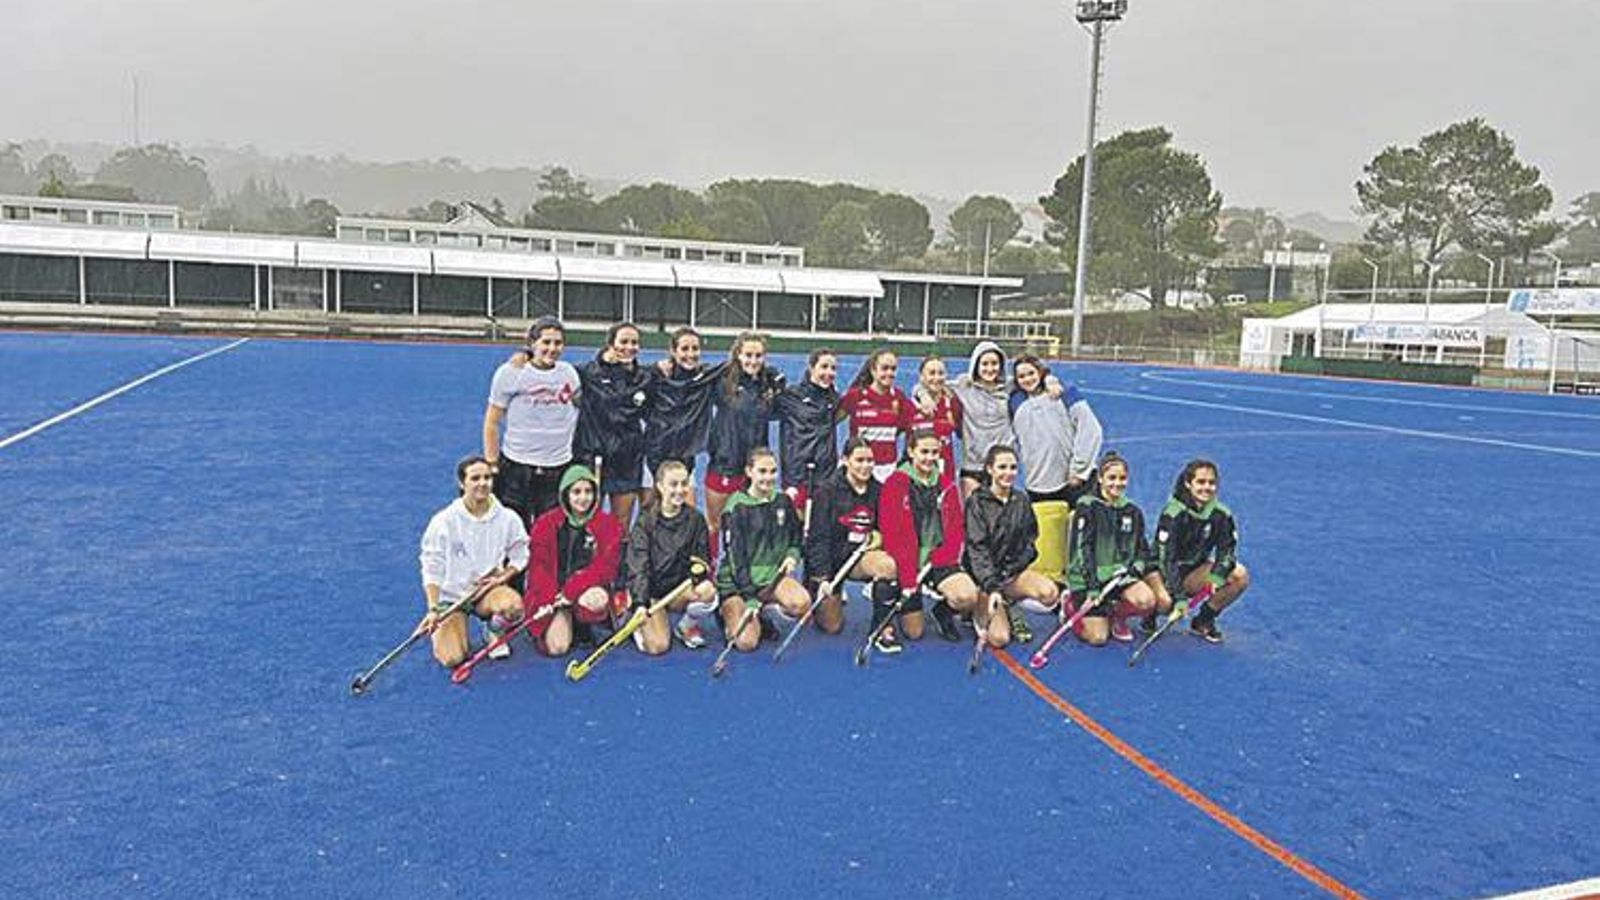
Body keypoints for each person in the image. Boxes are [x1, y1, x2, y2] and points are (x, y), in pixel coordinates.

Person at [878, 428, 984, 652]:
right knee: (914, 632)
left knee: (967, 596)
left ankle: (942, 610)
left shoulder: (946, 485)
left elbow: (955, 530)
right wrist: (908, 579)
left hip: (936, 560)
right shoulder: (895, 483)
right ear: (910, 451)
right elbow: (892, 535)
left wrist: (942, 557)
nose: (929, 458)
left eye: (935, 452)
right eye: (924, 452)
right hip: (907, 562)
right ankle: (896, 602)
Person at [417, 456, 529, 666]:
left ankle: (493, 631)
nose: (483, 483)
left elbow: (521, 553)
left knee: (513, 607)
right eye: (475, 478)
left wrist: (503, 576)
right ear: (462, 483)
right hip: (452, 600)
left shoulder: (508, 518)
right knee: (453, 658)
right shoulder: (443, 521)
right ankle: (449, 628)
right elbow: (432, 566)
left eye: (487, 478)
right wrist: (433, 608)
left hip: (485, 593)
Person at [482, 316, 581, 524]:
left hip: (558, 466)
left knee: (551, 533)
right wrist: (492, 464)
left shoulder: (569, 374)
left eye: (558, 343)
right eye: (546, 342)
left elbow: (578, 408)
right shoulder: (510, 373)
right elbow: (491, 422)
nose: (552, 348)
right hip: (517, 466)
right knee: (514, 530)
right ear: (532, 343)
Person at [1068, 451, 1171, 646]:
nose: (1117, 483)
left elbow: (1142, 549)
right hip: (1089, 578)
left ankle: (1116, 615)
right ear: (1099, 478)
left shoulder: (1132, 511)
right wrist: (1091, 586)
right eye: (1111, 478)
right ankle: (1071, 608)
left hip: (1119, 577)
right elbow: (1083, 549)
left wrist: (1136, 568)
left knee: (1147, 601)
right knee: (1097, 638)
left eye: (1122, 478)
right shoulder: (1087, 506)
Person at [962, 445, 1061, 645]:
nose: (1008, 473)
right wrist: (991, 584)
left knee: (1049, 593)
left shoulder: (1021, 500)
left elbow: (1030, 542)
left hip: (1009, 574)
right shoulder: (976, 503)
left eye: (1013, 468)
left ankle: (1009, 602)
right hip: (985, 579)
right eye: (1002, 467)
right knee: (999, 639)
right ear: (990, 469)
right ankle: (978, 608)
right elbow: (977, 549)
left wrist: (1011, 569)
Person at [713, 447, 809, 652]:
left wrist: (792, 555)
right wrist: (749, 597)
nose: (769, 477)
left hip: (771, 578)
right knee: (746, 643)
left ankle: (764, 609)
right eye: (762, 471)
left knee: (801, 603)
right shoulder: (735, 508)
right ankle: (726, 613)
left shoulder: (783, 501)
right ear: (749, 472)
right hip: (738, 584)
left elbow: (796, 538)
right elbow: (735, 560)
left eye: (773, 471)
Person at [523, 464, 624, 657]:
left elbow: (605, 568)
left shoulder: (607, 524)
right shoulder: (545, 523)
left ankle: (584, 622)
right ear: (565, 494)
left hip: (582, 591)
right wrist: (548, 598)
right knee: (557, 648)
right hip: (554, 595)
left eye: (588, 491)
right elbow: (538, 568)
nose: (583, 498)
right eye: (576, 492)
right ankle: (567, 621)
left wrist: (571, 590)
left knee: (598, 600)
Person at [801, 437, 896, 636]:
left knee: (888, 566)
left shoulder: (880, 491)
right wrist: (822, 576)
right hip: (832, 562)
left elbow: (889, 529)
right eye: (859, 460)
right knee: (832, 627)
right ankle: (814, 590)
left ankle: (880, 627)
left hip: (860, 558)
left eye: (870, 461)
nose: (866, 466)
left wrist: (881, 538)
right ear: (845, 460)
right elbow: (817, 540)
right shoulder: (826, 492)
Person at [1154, 459, 1250, 644]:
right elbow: (1166, 560)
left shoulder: (1221, 514)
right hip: (1162, 573)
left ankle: (1204, 620)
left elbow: (1227, 550)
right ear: (1188, 484)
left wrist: (1218, 575)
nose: (1207, 487)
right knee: (1164, 603)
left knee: (1239, 576)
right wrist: (1180, 598)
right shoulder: (1173, 514)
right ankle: (1149, 615)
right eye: (1201, 482)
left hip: (1193, 572)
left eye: (1211, 483)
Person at [626, 460, 717, 654]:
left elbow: (701, 560)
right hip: (651, 594)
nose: (680, 490)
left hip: (677, 592)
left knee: (707, 591)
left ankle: (685, 627)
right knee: (658, 647)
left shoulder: (696, 519)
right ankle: (637, 620)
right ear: (659, 486)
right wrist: (641, 603)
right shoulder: (645, 522)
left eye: (684, 484)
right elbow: (638, 567)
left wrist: (696, 576)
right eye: (673, 484)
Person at [704, 333, 786, 540]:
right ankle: (708, 571)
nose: (753, 360)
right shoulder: (721, 380)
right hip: (724, 465)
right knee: (715, 525)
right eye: (748, 354)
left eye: (758, 355)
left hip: (755, 469)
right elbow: (688, 380)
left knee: (752, 529)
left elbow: (782, 411)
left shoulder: (768, 385)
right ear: (738, 355)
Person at [573, 321, 654, 528]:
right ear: (610, 344)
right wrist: (524, 356)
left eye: (634, 342)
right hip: (593, 458)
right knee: (588, 519)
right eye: (624, 341)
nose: (629, 347)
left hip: (627, 460)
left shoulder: (645, 377)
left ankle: (619, 561)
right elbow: (553, 370)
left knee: (621, 523)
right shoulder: (588, 373)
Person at [1008, 355, 1102, 506]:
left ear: (1040, 372)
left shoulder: (1064, 393)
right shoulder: (1015, 401)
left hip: (1072, 482)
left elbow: (1090, 429)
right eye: (1021, 376)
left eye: (1031, 373)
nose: (1027, 379)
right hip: (1037, 484)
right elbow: (991, 383)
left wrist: (1079, 470)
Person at [646, 327, 723, 479]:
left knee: (683, 500)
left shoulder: (705, 376)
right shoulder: (656, 375)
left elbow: (735, 365)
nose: (690, 354)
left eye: (695, 348)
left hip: (686, 456)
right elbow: (628, 372)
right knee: (654, 502)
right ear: (673, 351)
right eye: (684, 349)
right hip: (655, 453)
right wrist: (654, 368)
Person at [774, 347, 841, 514]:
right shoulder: (790, 396)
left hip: (825, 477)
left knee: (821, 529)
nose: (829, 372)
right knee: (795, 529)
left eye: (833, 368)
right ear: (811, 368)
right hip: (797, 477)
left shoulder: (834, 399)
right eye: (824, 367)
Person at [839, 348, 914, 482]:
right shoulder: (855, 396)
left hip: (887, 470)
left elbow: (913, 428)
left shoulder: (899, 398)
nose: (890, 373)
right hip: (858, 468)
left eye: (893, 369)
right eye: (885, 368)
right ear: (873, 371)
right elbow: (830, 421)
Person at [910, 355, 962, 477]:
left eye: (941, 373)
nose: (937, 378)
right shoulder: (910, 405)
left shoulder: (953, 403)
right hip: (916, 474)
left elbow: (960, 431)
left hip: (945, 473)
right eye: (932, 373)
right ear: (921, 377)